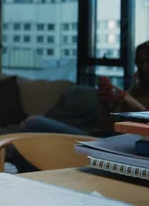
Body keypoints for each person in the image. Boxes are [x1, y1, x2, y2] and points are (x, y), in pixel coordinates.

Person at [11, 41, 149, 172]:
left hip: (122, 149)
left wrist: (135, 106)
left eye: (148, 62)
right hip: (104, 141)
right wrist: (105, 102)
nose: (144, 68)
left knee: (33, 124)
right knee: (34, 135)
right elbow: (107, 128)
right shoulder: (135, 90)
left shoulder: (132, 97)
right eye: (140, 62)